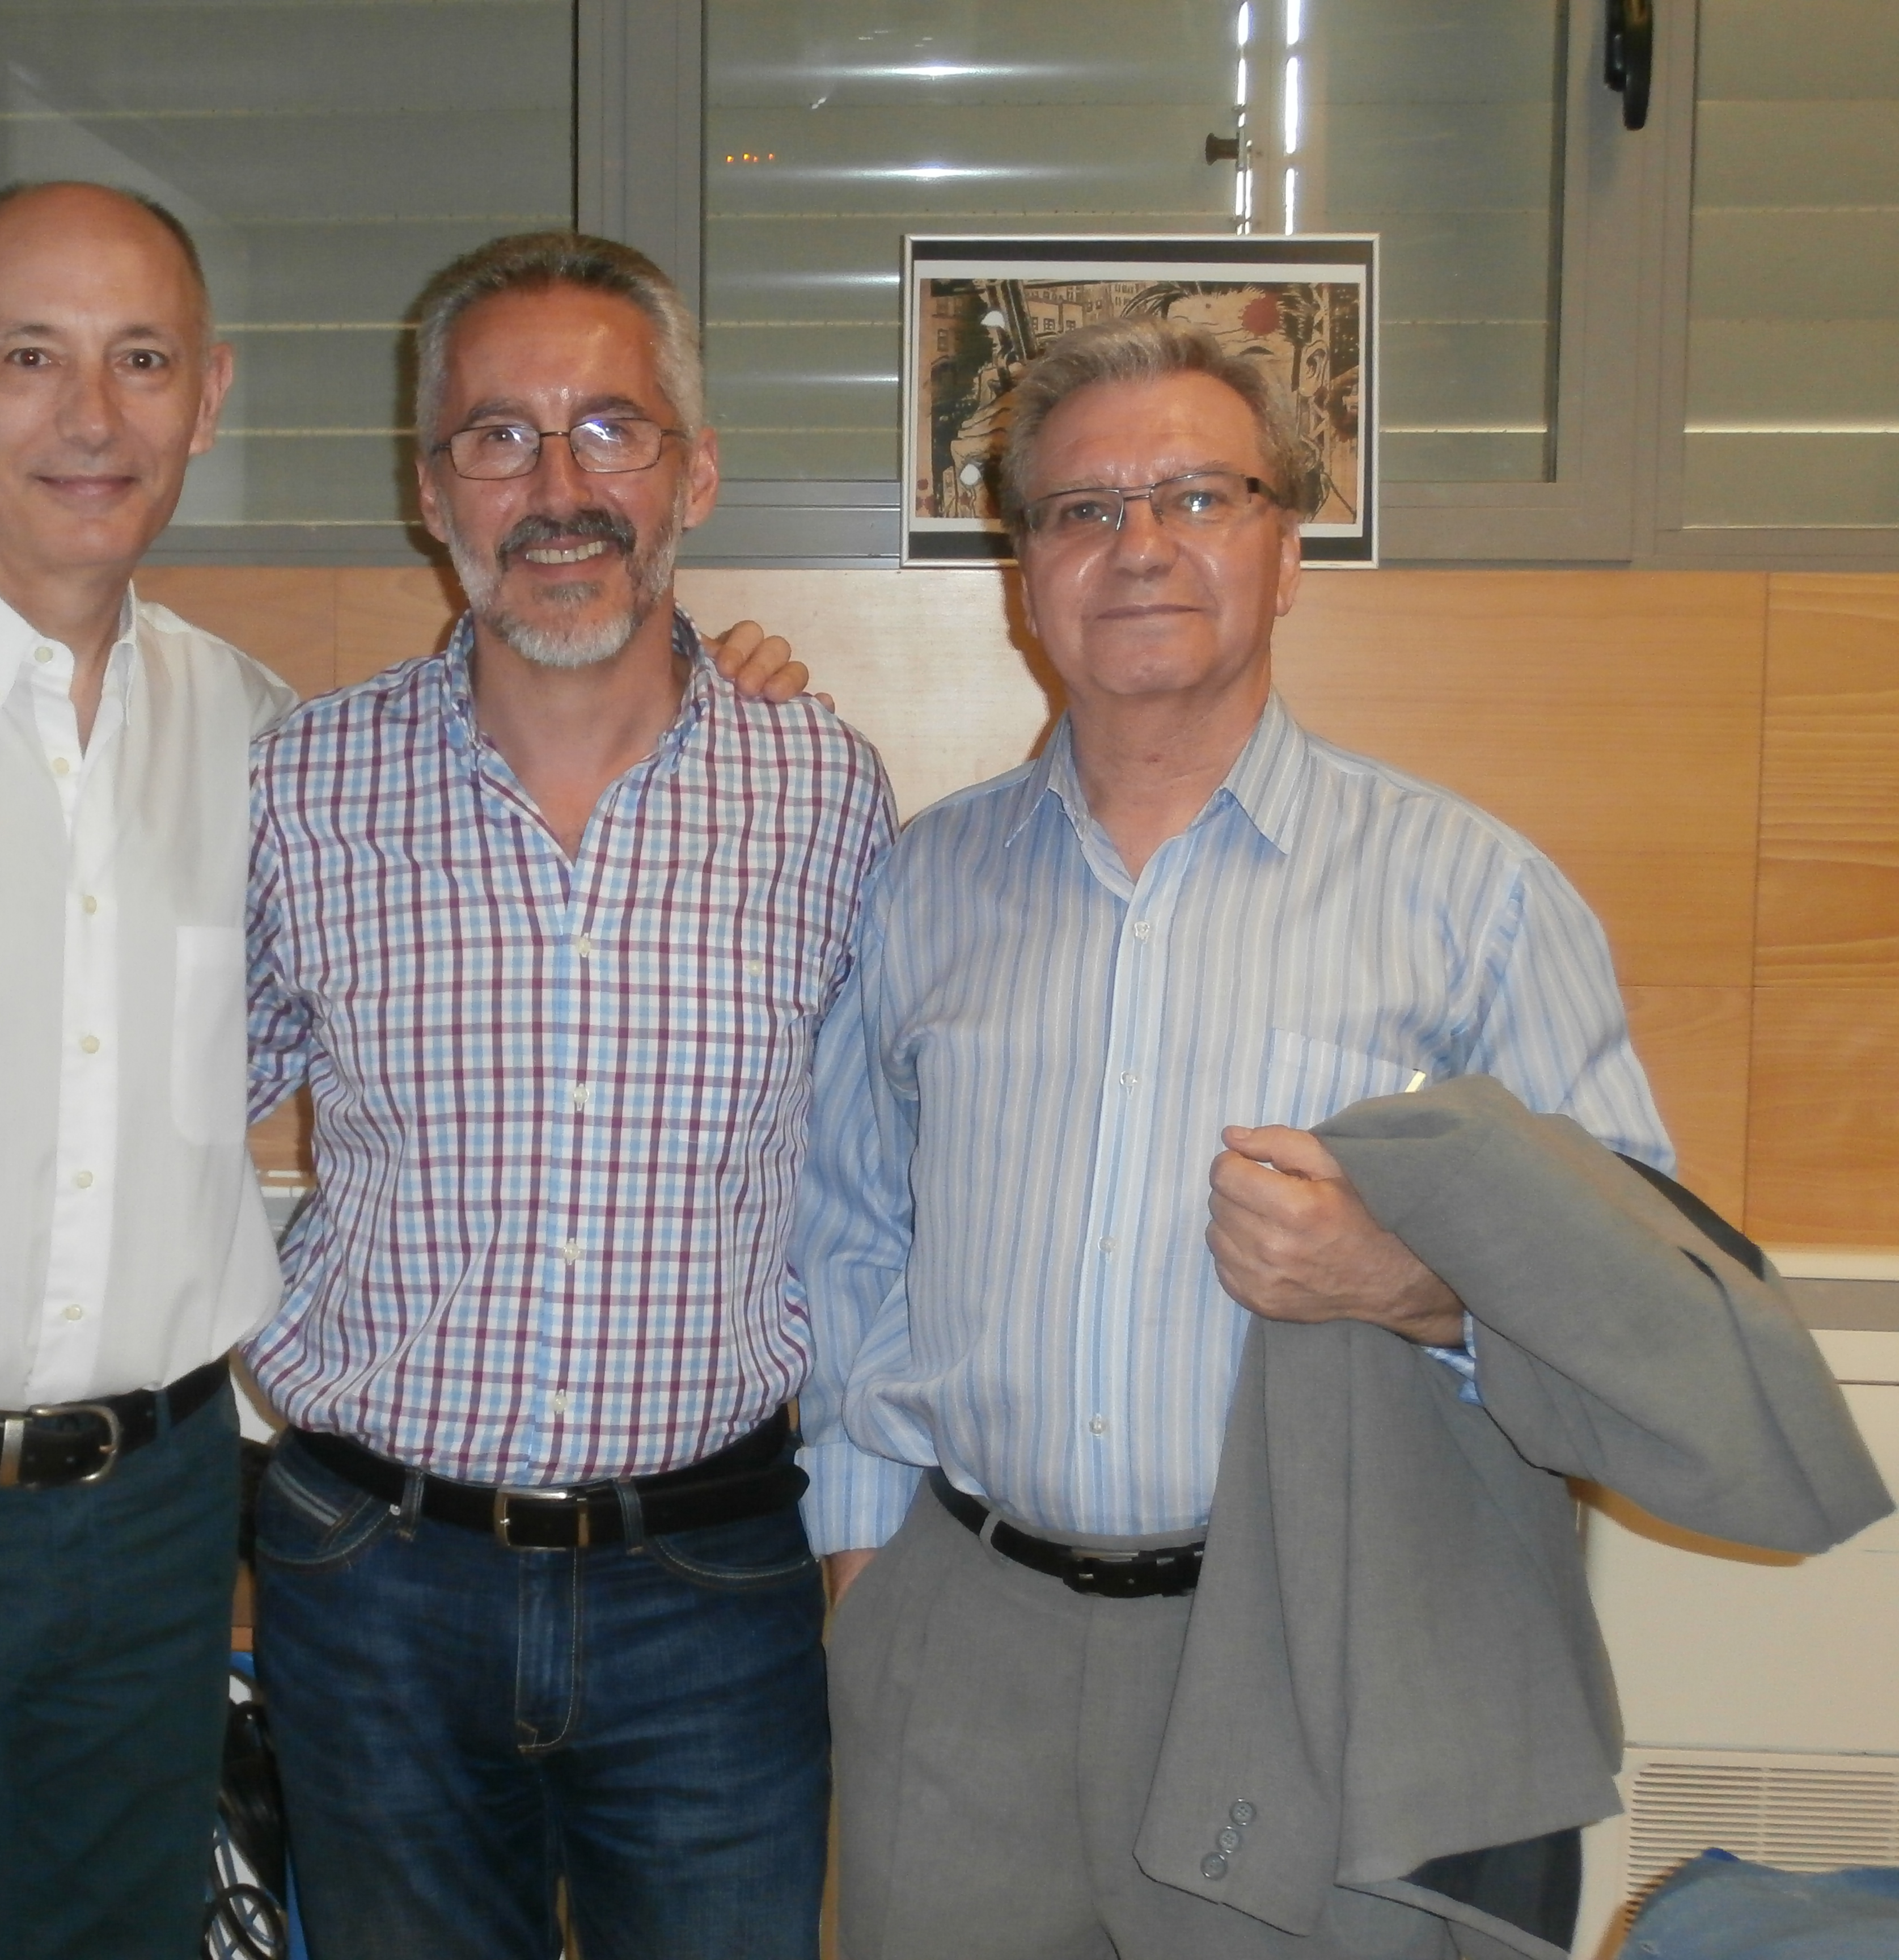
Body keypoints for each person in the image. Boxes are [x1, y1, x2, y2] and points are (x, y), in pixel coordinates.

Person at [0, 183, 803, 1960]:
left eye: (142, 361)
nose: (92, 418)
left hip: (160, 1519)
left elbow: (498, 774)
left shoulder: (262, 738)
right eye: (31, 358)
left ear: (210, 395)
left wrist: (722, 687)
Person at [797, 316, 1888, 1960]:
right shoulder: (916, 888)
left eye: (1198, 496)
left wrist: (1409, 1284)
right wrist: (863, 1572)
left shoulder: (1473, 900)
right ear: (1026, 575)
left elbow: (1639, 1327)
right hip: (962, 1656)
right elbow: (850, 1237)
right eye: (1083, 509)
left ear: (1287, 551)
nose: (1139, 545)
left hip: (1313, 1652)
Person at [242, 231, 899, 1960]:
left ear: (695, 472)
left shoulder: (825, 794)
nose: (557, 488)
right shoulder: (299, 788)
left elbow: (876, 1193)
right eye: (498, 436)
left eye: (610, 429)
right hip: (373, 1583)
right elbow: (148, 1116)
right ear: (428, 488)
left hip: (711, 1589)